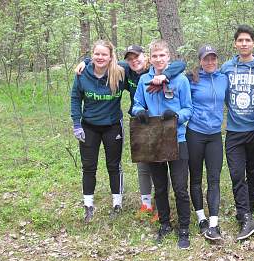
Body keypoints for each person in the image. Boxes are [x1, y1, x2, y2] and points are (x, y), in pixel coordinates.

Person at [75, 46, 186, 218]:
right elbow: (104, 59)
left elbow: (180, 64)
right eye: (130, 58)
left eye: (138, 57)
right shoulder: (125, 70)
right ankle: (146, 204)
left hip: (162, 120)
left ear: (146, 57)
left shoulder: (154, 69)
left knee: (162, 161)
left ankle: (160, 206)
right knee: (144, 164)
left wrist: (165, 75)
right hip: (142, 119)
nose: (134, 61)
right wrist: (86, 61)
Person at [132, 39, 193, 249]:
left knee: (179, 187)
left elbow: (188, 109)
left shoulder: (180, 80)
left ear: (168, 57)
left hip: (177, 138)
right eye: (155, 56)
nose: (158, 60)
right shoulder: (144, 81)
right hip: (153, 139)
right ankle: (165, 224)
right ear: (150, 58)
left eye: (162, 56)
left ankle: (184, 228)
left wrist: (175, 115)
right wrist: (139, 112)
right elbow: (136, 103)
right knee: (160, 187)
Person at [70, 40, 126, 223]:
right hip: (89, 126)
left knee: (114, 165)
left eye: (104, 54)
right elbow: (76, 98)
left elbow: (141, 67)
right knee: (89, 167)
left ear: (111, 57)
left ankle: (117, 204)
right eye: (97, 54)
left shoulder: (120, 72)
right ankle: (88, 206)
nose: (100, 57)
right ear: (92, 55)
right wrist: (76, 124)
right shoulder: (82, 73)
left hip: (112, 126)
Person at [220, 25, 254, 241]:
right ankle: (244, 215)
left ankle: (250, 204)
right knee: (237, 174)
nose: (244, 43)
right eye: (240, 40)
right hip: (234, 131)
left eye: (248, 40)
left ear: (253, 43)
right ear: (235, 43)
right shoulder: (227, 67)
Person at [186, 45, 228, 240]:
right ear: (200, 61)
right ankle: (201, 217)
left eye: (213, 58)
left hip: (214, 136)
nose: (210, 62)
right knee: (195, 178)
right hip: (194, 133)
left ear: (217, 60)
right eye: (206, 59)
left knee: (214, 179)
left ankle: (213, 224)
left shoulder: (223, 78)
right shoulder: (192, 79)